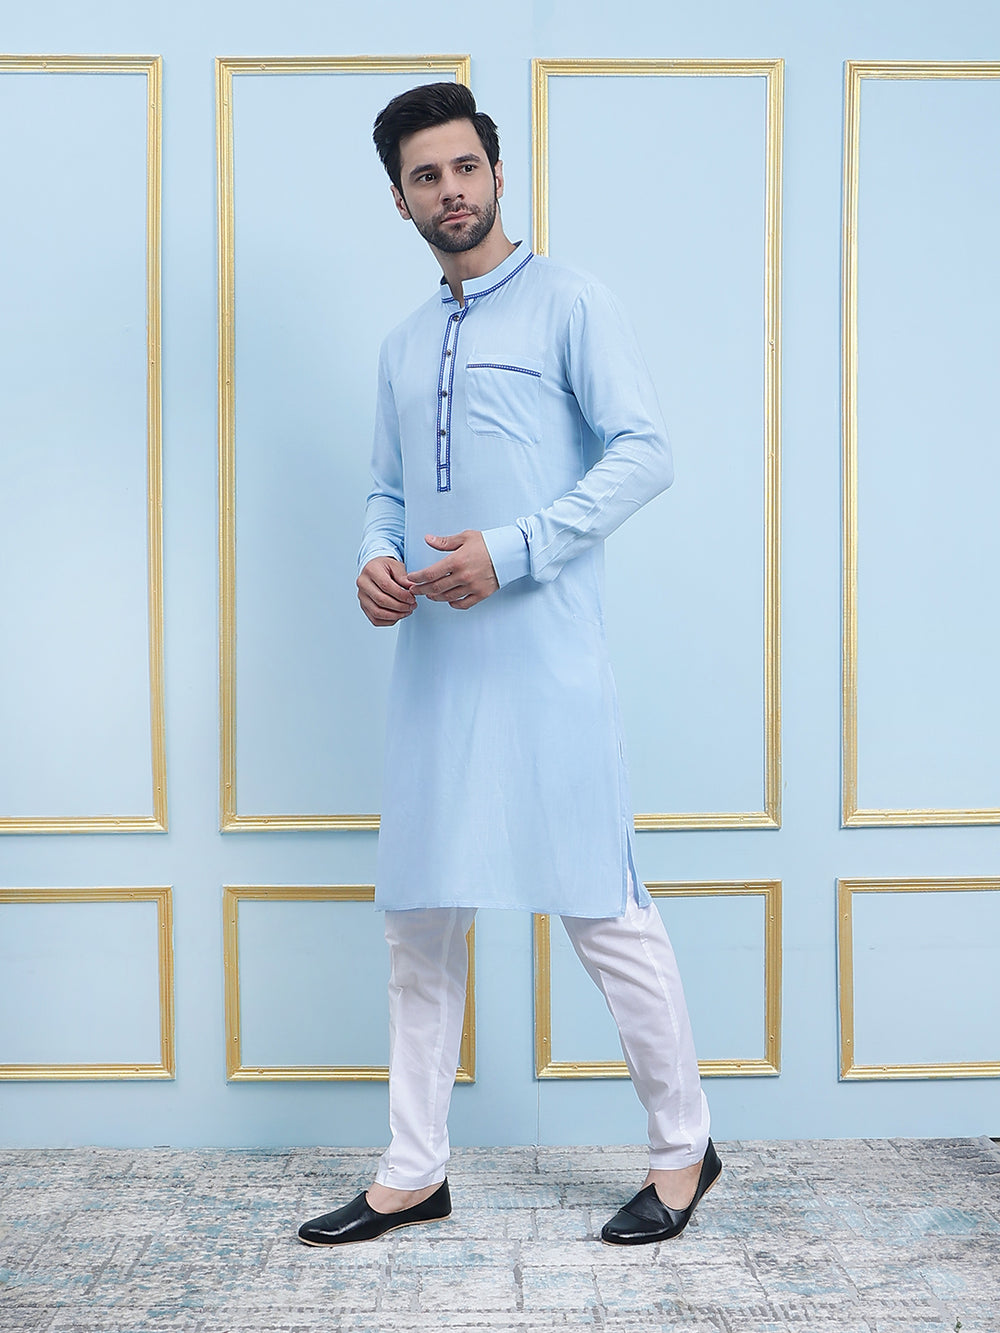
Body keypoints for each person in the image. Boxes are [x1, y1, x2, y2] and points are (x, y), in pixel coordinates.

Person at [298, 81, 720, 1249]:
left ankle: (683, 1148)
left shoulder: (571, 302)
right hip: (434, 670)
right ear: (399, 200)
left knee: (603, 910)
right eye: (425, 176)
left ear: (496, 172)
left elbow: (645, 453)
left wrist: (514, 547)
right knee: (418, 920)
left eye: (464, 167)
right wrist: (374, 560)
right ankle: (412, 1169)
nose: (450, 190)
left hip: (548, 664)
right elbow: (385, 489)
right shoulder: (401, 344)